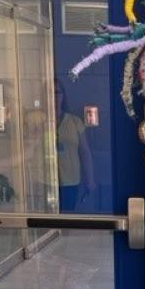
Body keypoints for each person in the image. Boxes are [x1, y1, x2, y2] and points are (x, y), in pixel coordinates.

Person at [54, 79, 95, 212]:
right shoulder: (38, 120)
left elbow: (85, 152)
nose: (54, 96)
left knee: (66, 219)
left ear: (63, 95)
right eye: (50, 92)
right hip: (45, 183)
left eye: (57, 92)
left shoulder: (74, 121)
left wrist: (90, 180)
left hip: (70, 182)